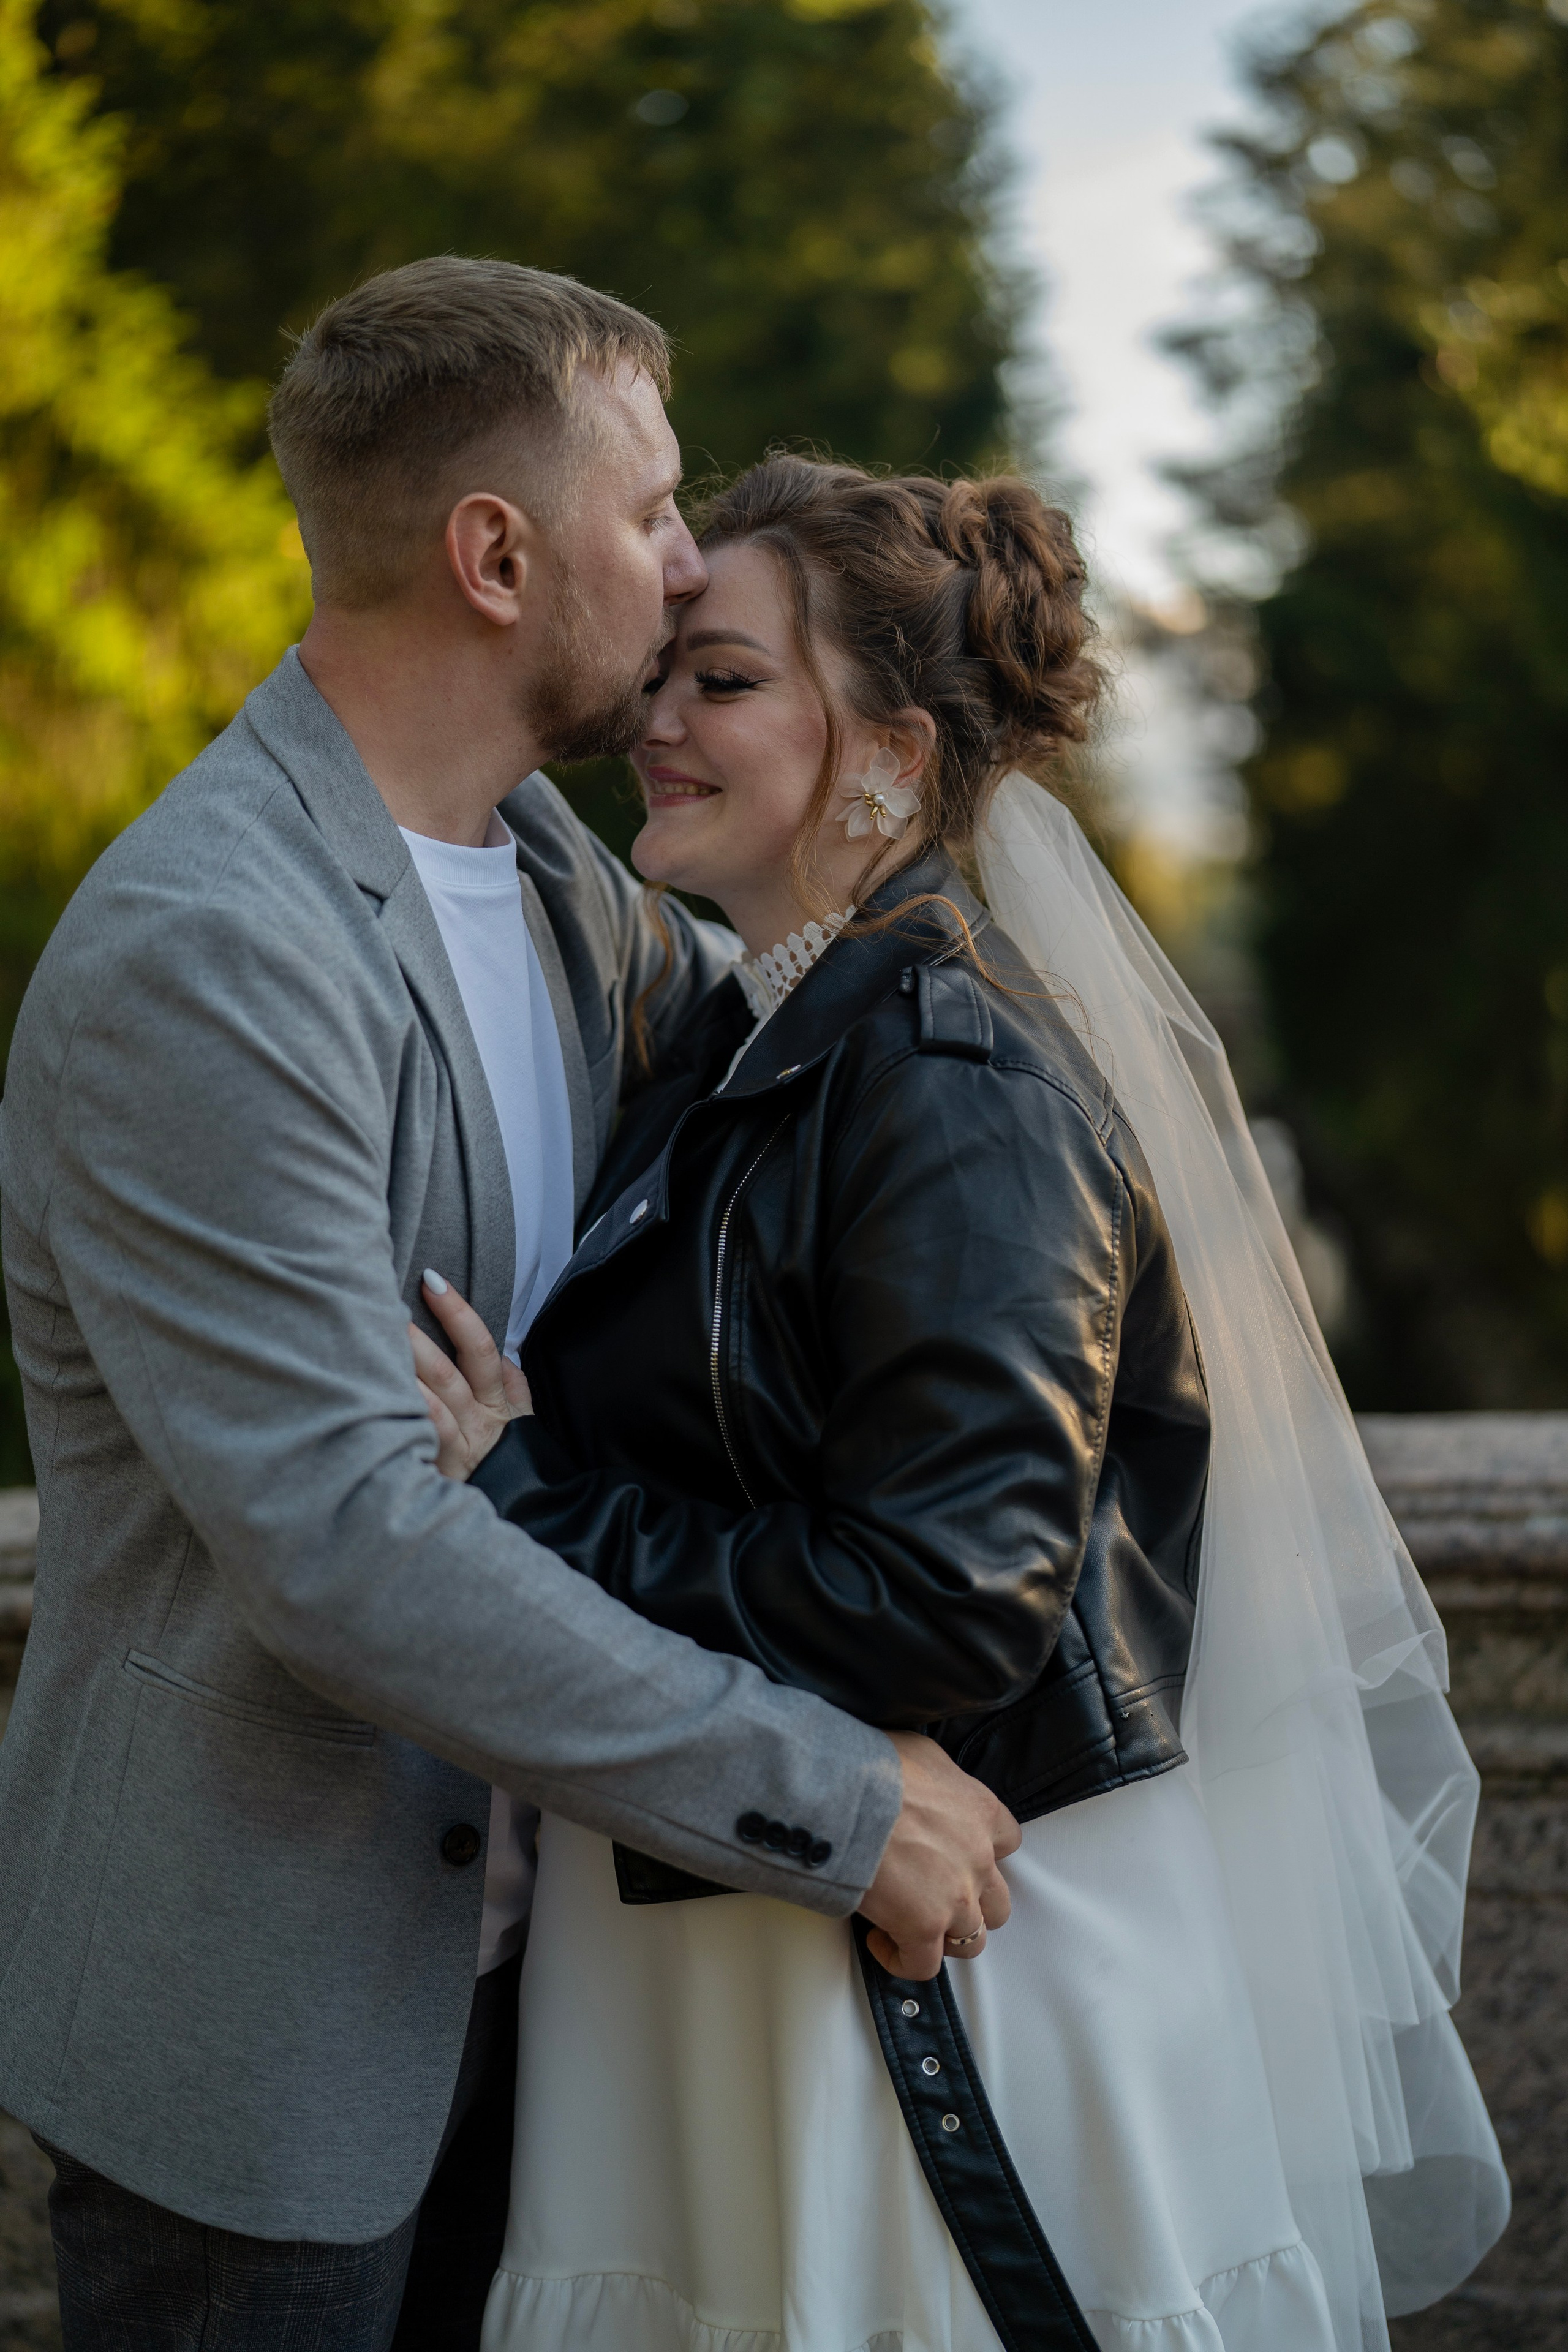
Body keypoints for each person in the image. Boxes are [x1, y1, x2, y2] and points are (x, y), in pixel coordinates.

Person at [0, 265, 1018, 2352]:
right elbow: (347, 1550)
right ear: (493, 554)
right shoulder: (214, 953)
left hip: (565, 1996)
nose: (680, 562)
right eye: (650, 512)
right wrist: (835, 1805)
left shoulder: (570, 888)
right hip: (266, 2038)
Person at [417, 456, 1511, 2352]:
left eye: (727, 680)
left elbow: (947, 1599)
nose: (653, 719)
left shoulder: (952, 1083)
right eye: (666, 670)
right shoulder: (753, 1033)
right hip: (731, 1959)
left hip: (921, 1993)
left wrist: (517, 1496)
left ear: (890, 759)